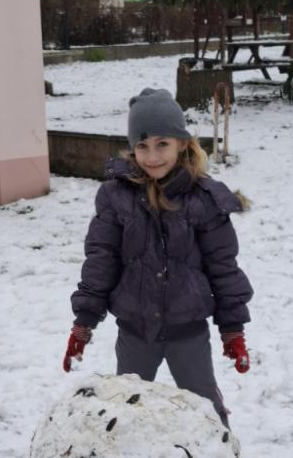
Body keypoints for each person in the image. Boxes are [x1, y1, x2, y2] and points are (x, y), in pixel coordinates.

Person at [63, 87, 253, 427]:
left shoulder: (203, 200)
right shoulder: (115, 197)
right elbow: (101, 260)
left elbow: (223, 267)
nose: (152, 157)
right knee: (127, 410)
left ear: (182, 143)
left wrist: (232, 329)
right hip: (135, 332)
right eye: (143, 146)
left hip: (188, 331)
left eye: (162, 144)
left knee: (205, 410)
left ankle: (223, 456)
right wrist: (83, 324)